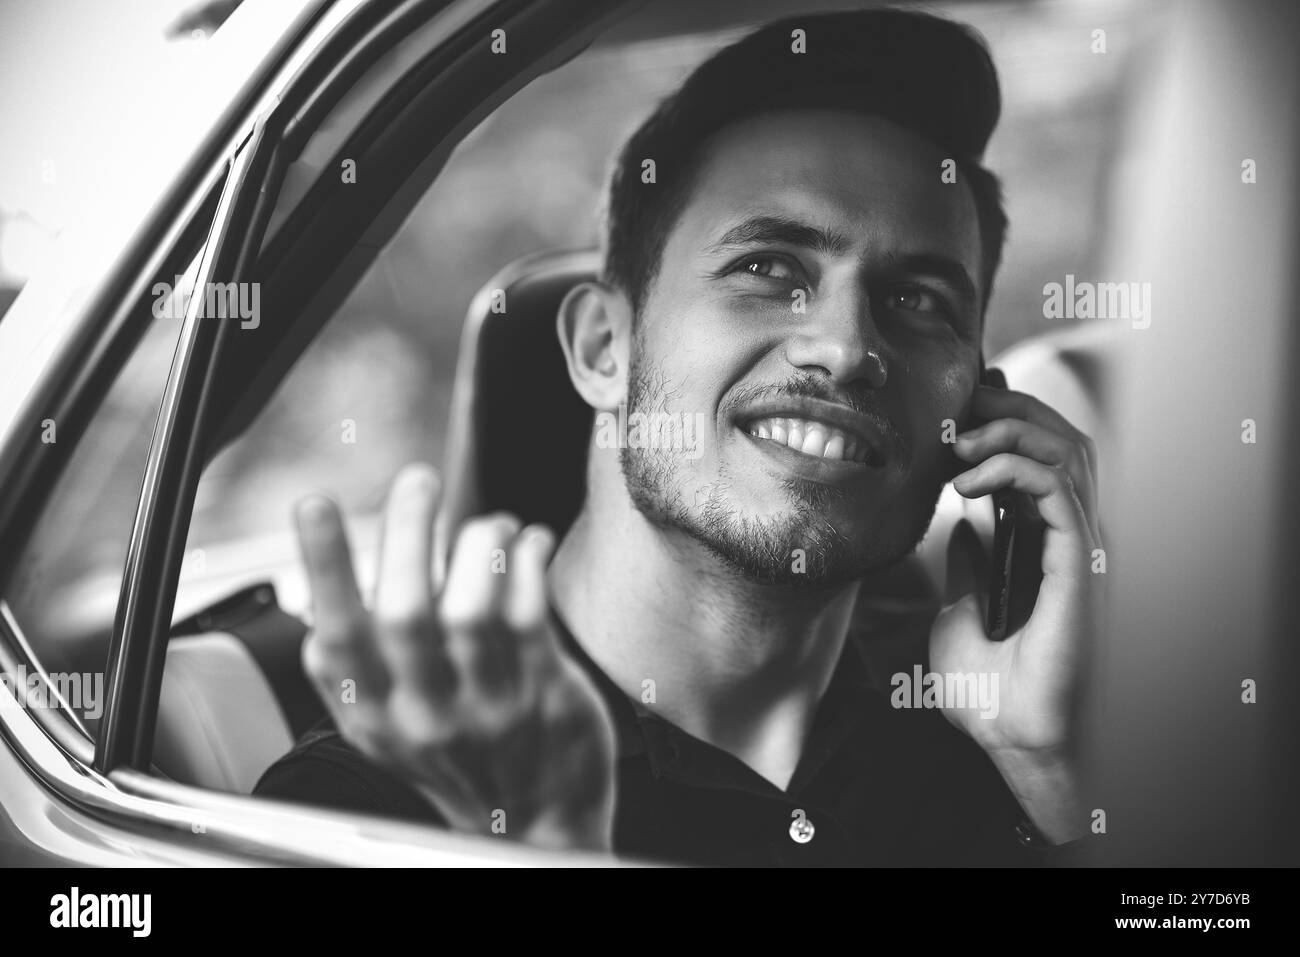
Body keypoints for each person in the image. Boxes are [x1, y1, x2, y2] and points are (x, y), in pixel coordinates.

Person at [255, 8, 1103, 866]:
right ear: (603, 347)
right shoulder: (376, 803)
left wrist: (1057, 777)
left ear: (979, 404)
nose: (847, 349)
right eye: (768, 268)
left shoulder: (990, 731)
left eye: (919, 301)